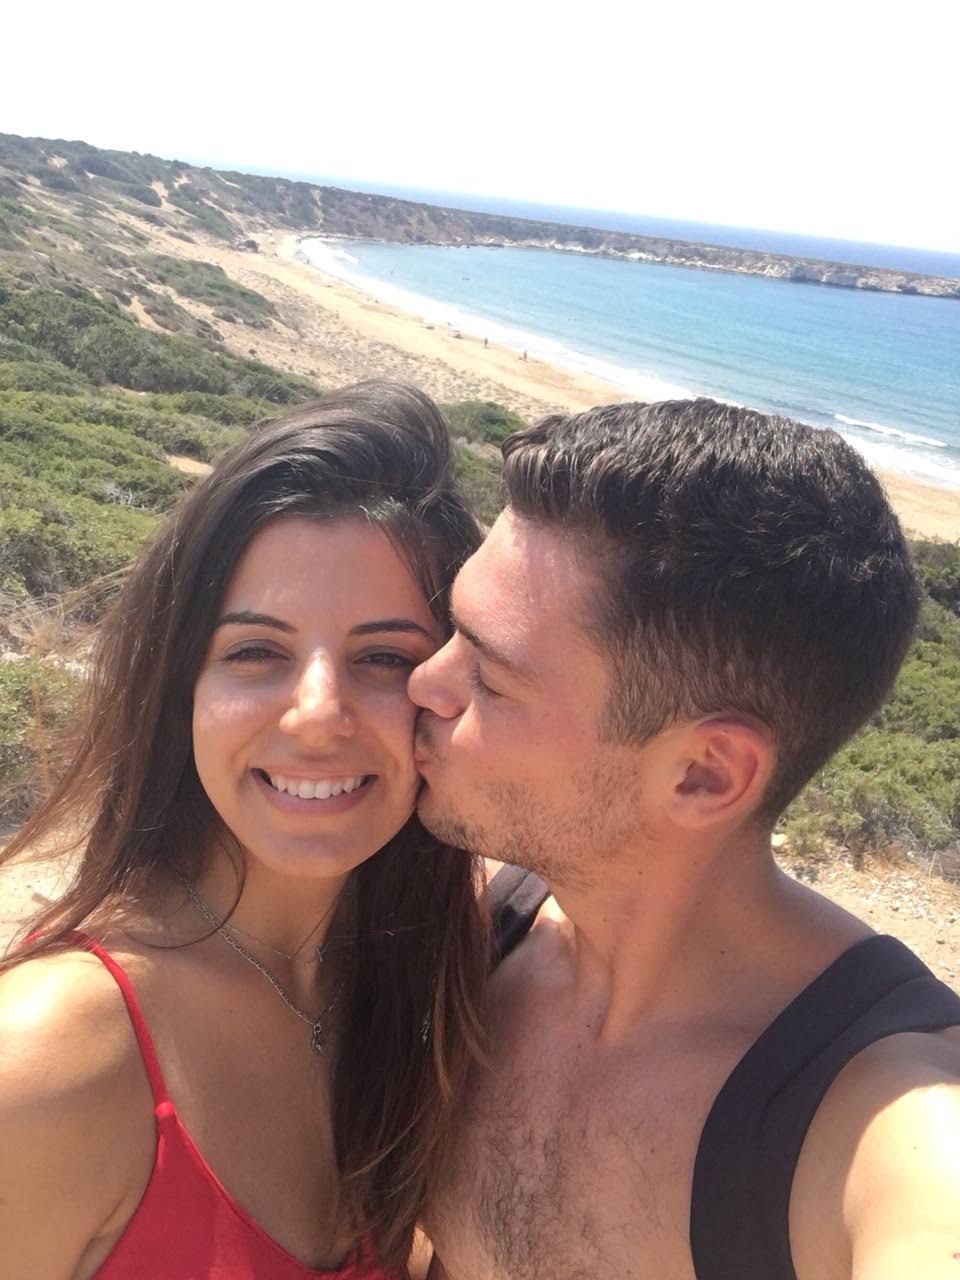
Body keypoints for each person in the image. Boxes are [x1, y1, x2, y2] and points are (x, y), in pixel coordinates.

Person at [408, 398, 960, 1280]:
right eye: (450, 633)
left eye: (491, 678)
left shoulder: (878, 1115)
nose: (423, 684)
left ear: (705, 774)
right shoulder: (483, 943)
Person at [0, 382, 488, 1280]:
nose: (318, 714)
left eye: (385, 657)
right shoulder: (49, 1060)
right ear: (181, 687)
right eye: (256, 651)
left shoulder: (431, 984)